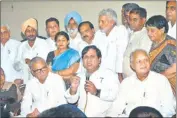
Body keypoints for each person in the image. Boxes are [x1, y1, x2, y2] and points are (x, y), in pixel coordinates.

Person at [112, 49, 175, 117]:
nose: (143, 63)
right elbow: (117, 107)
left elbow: (169, 109)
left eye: (146, 60)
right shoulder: (126, 83)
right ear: (132, 65)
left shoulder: (161, 80)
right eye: (139, 61)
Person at [65, 45, 119, 117]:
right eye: (86, 57)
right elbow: (71, 102)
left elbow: (115, 95)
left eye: (92, 57)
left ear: (99, 59)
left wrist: (96, 92)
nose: (89, 60)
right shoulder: (79, 76)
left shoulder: (109, 75)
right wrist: (73, 90)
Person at [145, 15, 176, 95]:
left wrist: (156, 78)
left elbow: (174, 69)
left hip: (170, 87)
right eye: (147, 30)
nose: (149, 33)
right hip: (157, 86)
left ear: (162, 30)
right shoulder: (154, 42)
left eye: (152, 30)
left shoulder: (170, 45)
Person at [96, 8, 129, 82]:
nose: (100, 24)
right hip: (100, 73)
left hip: (115, 75)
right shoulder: (98, 34)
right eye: (99, 21)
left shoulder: (120, 30)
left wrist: (119, 75)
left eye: (102, 21)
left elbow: (120, 54)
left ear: (112, 22)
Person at [14, 18, 50, 84]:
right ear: (24, 33)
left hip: (42, 81)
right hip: (26, 82)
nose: (31, 33)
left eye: (33, 30)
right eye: (28, 31)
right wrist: (23, 61)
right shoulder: (21, 46)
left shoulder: (43, 43)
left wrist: (32, 63)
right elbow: (16, 66)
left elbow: (48, 63)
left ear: (36, 31)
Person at [123, 7, 152, 78]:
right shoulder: (131, 33)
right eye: (130, 19)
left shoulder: (146, 36)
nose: (131, 22)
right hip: (128, 79)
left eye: (135, 20)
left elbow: (142, 61)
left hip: (137, 78)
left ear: (143, 20)